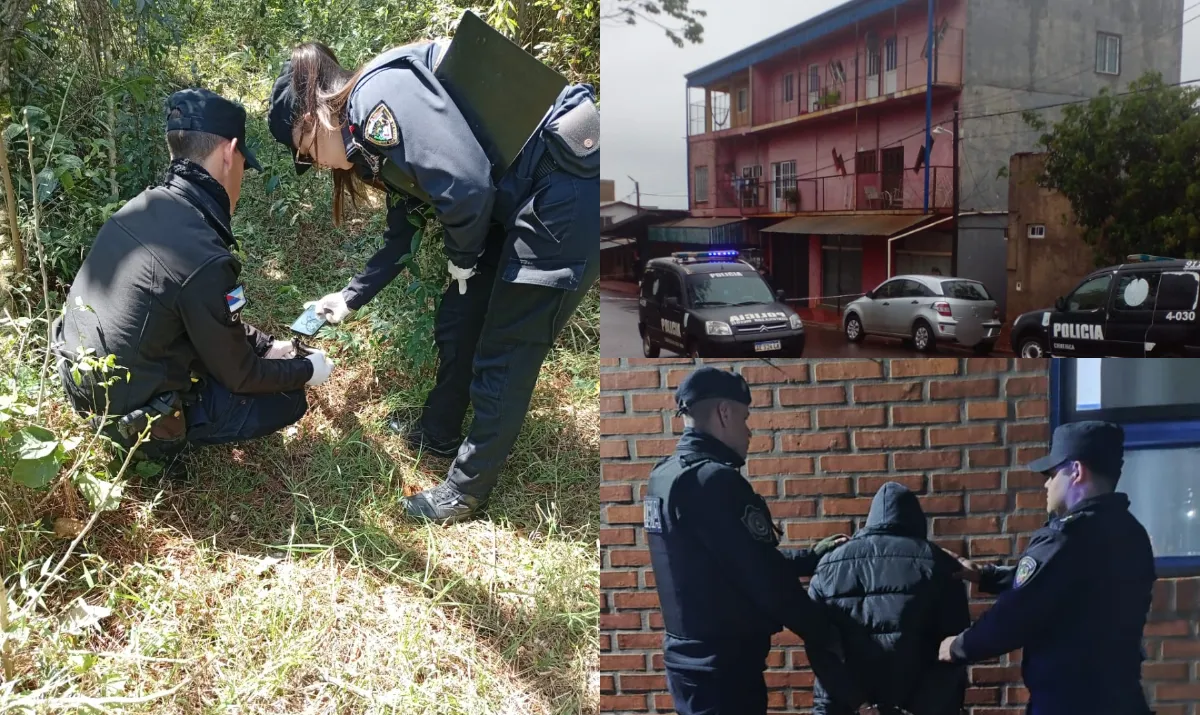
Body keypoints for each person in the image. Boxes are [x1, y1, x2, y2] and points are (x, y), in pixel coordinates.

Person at [265, 35, 598, 524]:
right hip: (519, 197)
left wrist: (463, 256)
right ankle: (438, 432)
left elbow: (465, 188)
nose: (316, 165)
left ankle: (465, 491)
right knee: (460, 318)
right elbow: (402, 235)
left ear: (311, 120)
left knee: (507, 347)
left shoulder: (376, 98)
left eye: (305, 153)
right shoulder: (369, 137)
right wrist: (349, 298)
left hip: (566, 188)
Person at [54, 89, 336, 466]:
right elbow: (241, 376)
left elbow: (207, 319)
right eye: (242, 165)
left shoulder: (141, 207)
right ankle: (164, 449)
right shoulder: (203, 256)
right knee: (287, 398)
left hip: (82, 387)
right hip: (131, 419)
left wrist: (267, 345)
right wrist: (306, 369)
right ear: (227, 153)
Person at [643, 366, 878, 715]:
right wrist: (826, 633)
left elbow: (727, 563)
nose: (749, 431)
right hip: (725, 669)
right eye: (744, 417)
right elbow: (763, 579)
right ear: (725, 413)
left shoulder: (664, 476)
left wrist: (810, 557)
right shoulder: (715, 481)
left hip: (688, 661)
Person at [938, 421, 1156, 715]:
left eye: (1052, 474)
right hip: (1123, 700)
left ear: (1076, 471)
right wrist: (985, 575)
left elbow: (1013, 616)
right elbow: (1064, 585)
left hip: (1069, 703)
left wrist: (957, 647)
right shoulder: (1132, 532)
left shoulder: (1066, 537)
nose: (1046, 484)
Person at [809, 482, 969, 715]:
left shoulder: (829, 565)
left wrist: (860, 705)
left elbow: (819, 649)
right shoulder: (939, 564)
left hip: (844, 707)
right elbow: (956, 647)